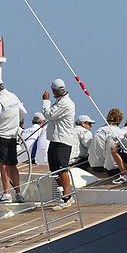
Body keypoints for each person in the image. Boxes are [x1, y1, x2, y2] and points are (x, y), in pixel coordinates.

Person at [42, 78, 76, 210]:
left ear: (56, 90)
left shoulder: (65, 103)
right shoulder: (60, 101)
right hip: (55, 140)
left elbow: (49, 114)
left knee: (62, 169)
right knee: (54, 170)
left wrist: (45, 100)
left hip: (63, 140)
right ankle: (64, 195)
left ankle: (67, 197)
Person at [88, 108, 123, 173]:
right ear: (120, 119)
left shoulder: (99, 130)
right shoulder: (117, 131)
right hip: (105, 167)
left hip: (93, 165)